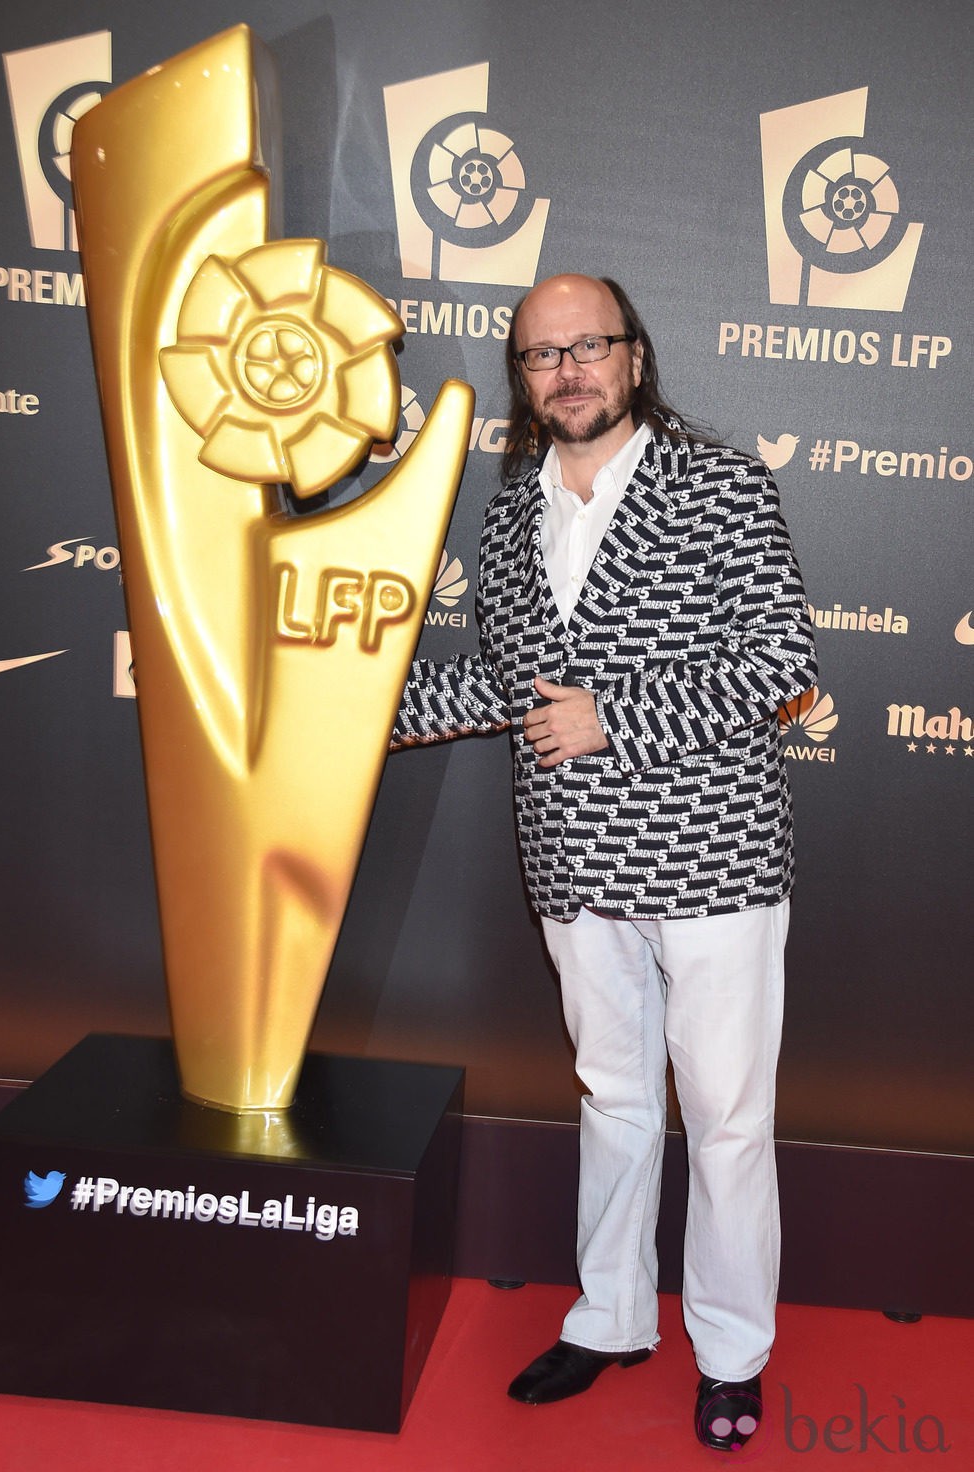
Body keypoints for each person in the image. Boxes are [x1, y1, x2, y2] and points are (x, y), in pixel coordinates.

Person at [391, 273, 817, 1452]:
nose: (567, 370)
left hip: (713, 856)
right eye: (541, 355)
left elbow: (779, 661)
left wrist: (613, 716)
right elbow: (500, 683)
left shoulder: (719, 484)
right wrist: (350, 711)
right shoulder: (509, 504)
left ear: (632, 357)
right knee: (614, 1097)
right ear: (523, 380)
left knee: (725, 1115)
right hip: (576, 861)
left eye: (589, 347)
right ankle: (612, 1312)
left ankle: (731, 1351)